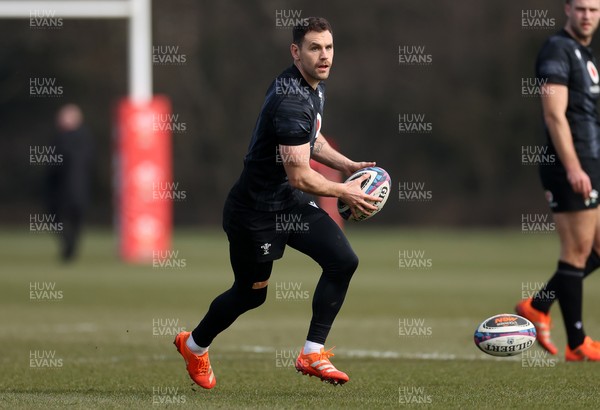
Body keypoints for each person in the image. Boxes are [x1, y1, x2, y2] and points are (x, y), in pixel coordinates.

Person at [174, 17, 381, 388]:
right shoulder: (291, 99)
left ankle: (312, 352)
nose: (324, 56)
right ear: (295, 51)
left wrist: (345, 164)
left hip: (289, 205)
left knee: (343, 261)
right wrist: (346, 191)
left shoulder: (312, 86)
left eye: (329, 48)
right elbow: (299, 174)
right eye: (315, 48)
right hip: (254, 214)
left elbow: (310, 140)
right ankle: (194, 345)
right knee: (250, 296)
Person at [516, 0, 600, 361]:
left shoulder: (585, 54)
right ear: (567, 9)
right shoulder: (557, 49)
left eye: (594, 10)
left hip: (591, 161)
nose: (587, 15)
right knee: (577, 253)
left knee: (596, 250)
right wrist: (573, 167)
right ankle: (577, 343)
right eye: (581, 8)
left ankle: (538, 305)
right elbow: (555, 114)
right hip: (570, 164)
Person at [46, 104, 94, 262]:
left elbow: (53, 166)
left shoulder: (62, 140)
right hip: (79, 188)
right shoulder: (86, 139)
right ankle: (70, 247)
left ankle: (69, 247)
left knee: (59, 217)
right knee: (71, 220)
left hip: (65, 189)